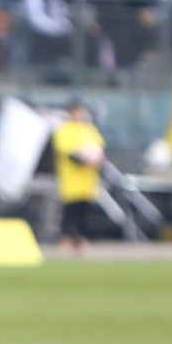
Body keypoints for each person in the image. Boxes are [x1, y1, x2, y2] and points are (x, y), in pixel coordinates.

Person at [52, 100, 106, 251]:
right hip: (71, 178)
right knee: (69, 210)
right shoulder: (65, 130)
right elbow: (66, 151)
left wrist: (96, 159)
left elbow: (99, 149)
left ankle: (82, 238)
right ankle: (65, 237)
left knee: (84, 210)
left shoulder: (89, 130)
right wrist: (83, 159)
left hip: (87, 180)